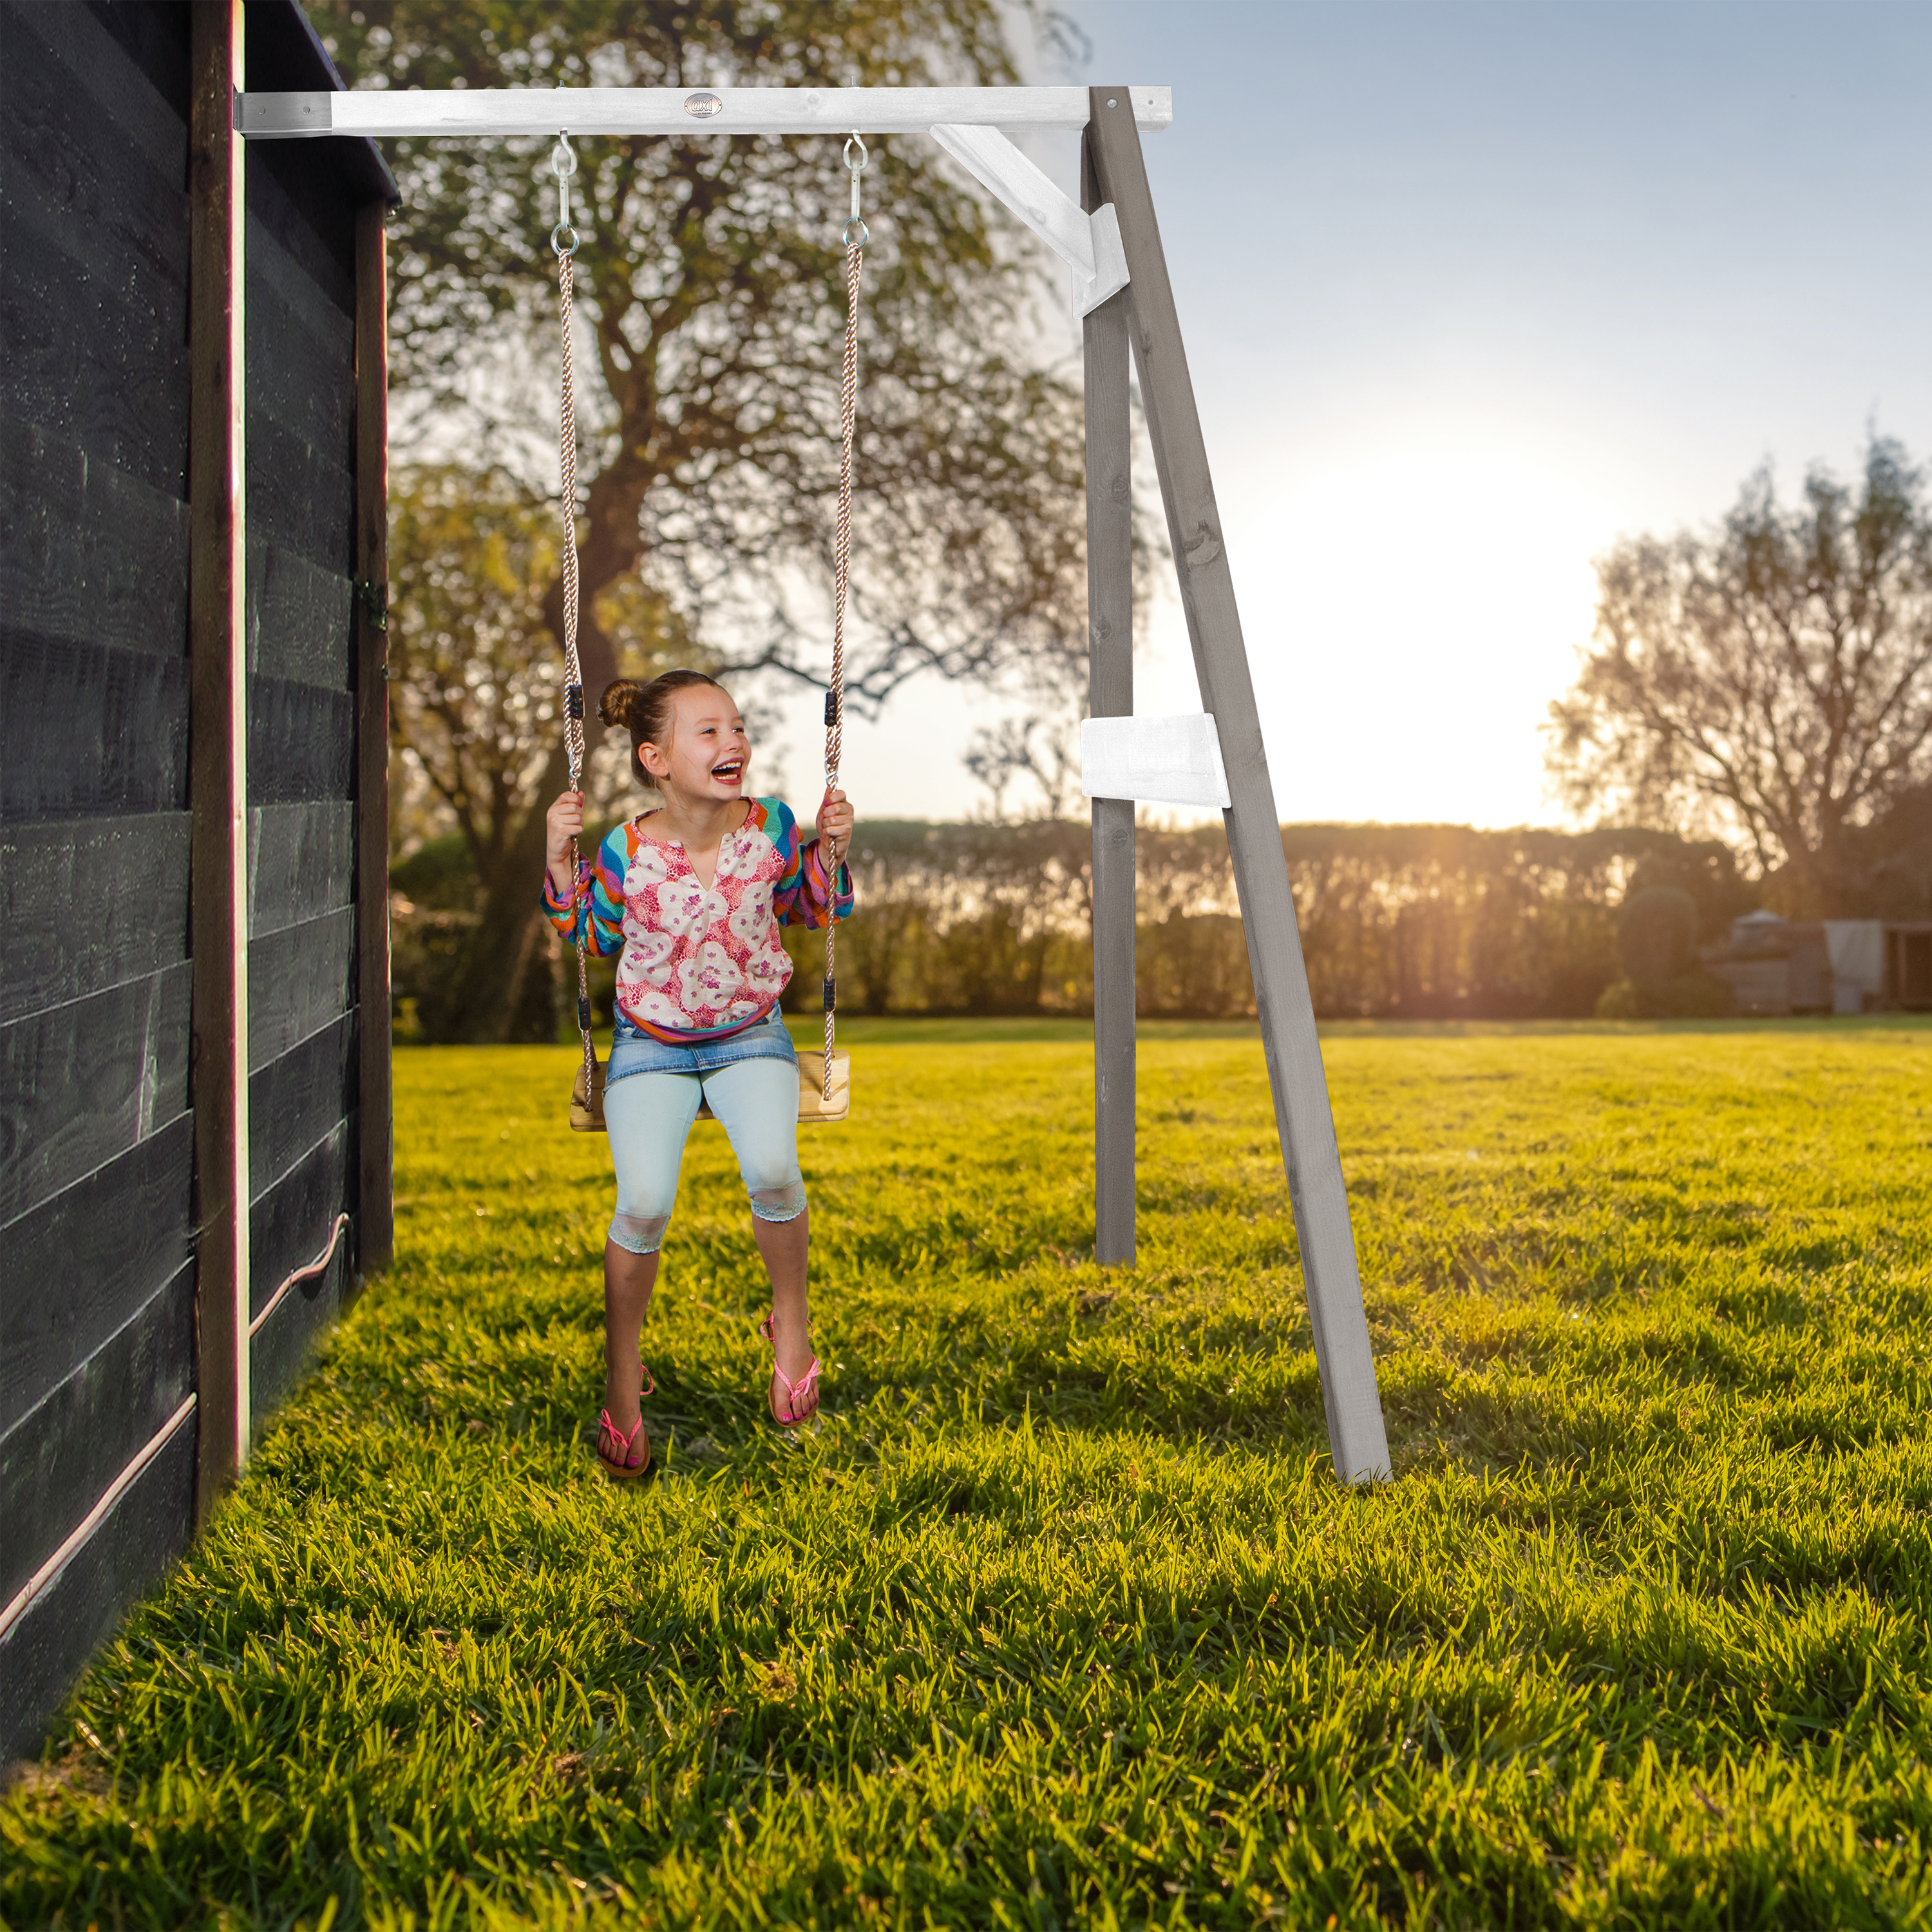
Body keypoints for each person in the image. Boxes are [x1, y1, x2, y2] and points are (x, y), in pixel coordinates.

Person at [542, 669, 854, 1479]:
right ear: (656, 758)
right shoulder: (624, 849)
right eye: (709, 732)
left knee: (776, 1173)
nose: (734, 743)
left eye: (738, 728)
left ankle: (790, 1322)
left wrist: (832, 851)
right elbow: (585, 931)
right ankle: (622, 1372)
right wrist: (555, 851)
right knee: (642, 1203)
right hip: (651, 1045)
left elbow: (812, 909)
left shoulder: (776, 827)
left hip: (752, 1034)